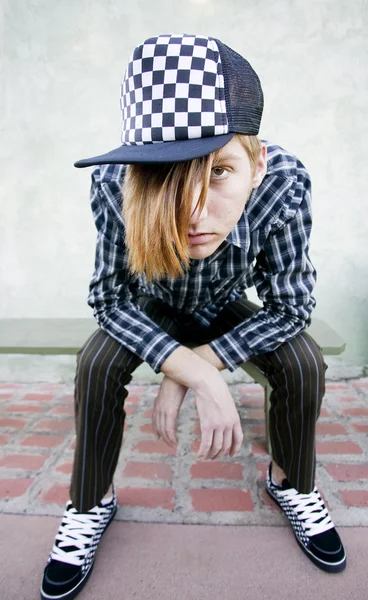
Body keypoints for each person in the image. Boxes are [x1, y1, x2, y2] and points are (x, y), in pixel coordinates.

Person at [40, 32, 346, 600]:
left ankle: (291, 483)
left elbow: (290, 306)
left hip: (227, 305)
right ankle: (89, 503)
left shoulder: (283, 182)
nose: (195, 213)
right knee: (96, 363)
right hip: (151, 303)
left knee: (304, 359)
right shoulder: (114, 183)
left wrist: (197, 363)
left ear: (255, 164)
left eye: (221, 171)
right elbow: (110, 300)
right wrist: (195, 374)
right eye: (167, 176)